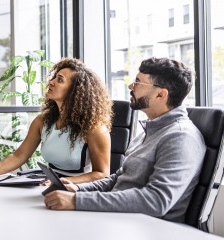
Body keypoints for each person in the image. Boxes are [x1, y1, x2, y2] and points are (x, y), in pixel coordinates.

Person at [44, 57, 205, 224]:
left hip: (149, 228)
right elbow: (118, 178)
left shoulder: (180, 137)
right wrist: (78, 189)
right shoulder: (148, 131)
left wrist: (76, 201)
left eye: (138, 82)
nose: (131, 86)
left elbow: (156, 200)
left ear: (160, 94)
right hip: (121, 219)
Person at [0, 58, 113, 184]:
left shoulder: (94, 128)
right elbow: (19, 156)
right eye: (54, 77)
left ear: (75, 91)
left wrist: (65, 182)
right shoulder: (43, 120)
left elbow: (102, 173)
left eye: (60, 80)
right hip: (47, 185)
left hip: (78, 190)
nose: (51, 82)